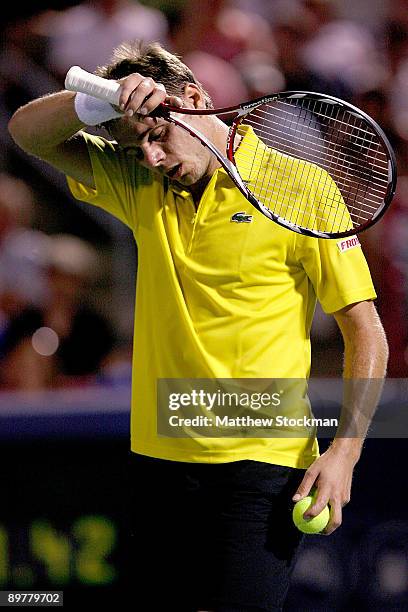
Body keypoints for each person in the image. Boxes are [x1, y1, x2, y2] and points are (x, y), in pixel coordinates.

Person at [8, 41, 388, 612]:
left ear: (194, 99)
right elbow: (27, 134)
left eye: (158, 137)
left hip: (260, 469)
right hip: (158, 465)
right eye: (138, 148)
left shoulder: (300, 187)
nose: (153, 158)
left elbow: (367, 335)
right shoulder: (141, 182)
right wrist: (99, 105)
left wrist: (344, 454)